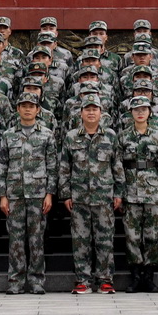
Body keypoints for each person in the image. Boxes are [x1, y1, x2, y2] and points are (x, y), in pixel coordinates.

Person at [58, 97, 123, 294]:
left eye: (95, 109)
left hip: (104, 197)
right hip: (79, 197)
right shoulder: (71, 137)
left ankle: (105, 279)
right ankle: (83, 280)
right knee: (80, 240)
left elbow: (117, 165)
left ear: (101, 113)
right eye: (87, 109)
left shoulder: (110, 136)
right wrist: (66, 194)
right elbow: (64, 167)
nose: (91, 113)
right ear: (81, 113)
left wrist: (118, 192)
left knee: (105, 239)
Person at [0, 93, 56, 295]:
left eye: (31, 106)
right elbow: (2, 166)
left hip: (38, 194)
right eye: (24, 106)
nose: (28, 109)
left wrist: (49, 193)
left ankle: (37, 280)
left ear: (38, 109)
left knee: (36, 239)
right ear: (18, 109)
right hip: (14, 194)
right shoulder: (8, 135)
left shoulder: (47, 134)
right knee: (15, 239)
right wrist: (2, 195)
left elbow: (52, 166)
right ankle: (16, 281)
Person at [116, 97, 158, 292]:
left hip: (153, 193)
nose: (140, 112)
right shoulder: (122, 136)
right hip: (130, 192)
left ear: (150, 112)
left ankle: (149, 276)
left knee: (152, 236)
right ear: (131, 112)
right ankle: (136, 276)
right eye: (136, 109)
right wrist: (120, 193)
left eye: (144, 109)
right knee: (132, 237)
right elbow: (118, 166)